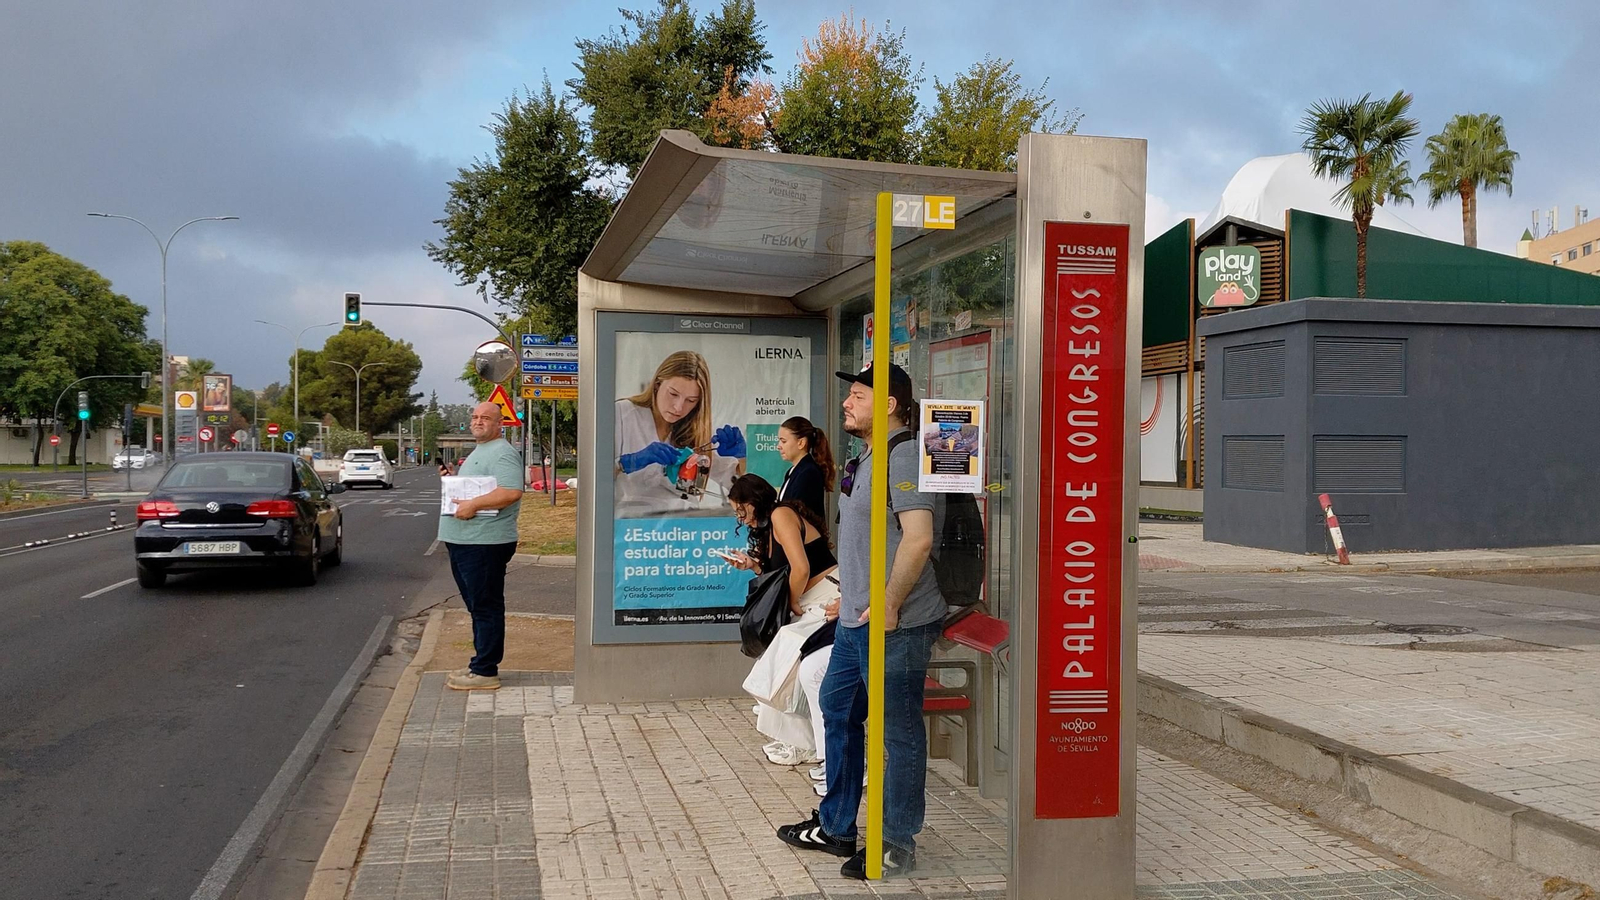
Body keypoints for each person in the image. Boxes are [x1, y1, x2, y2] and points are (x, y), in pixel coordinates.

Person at [777, 363, 942, 881]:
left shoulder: (905, 454)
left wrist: (890, 603)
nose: (846, 403)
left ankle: (897, 840)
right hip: (856, 617)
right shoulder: (864, 457)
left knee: (898, 730)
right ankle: (837, 825)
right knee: (837, 706)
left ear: (888, 403)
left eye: (856, 395)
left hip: (897, 621)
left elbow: (917, 538)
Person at [724, 474, 838, 772]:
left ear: (753, 503)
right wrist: (751, 565)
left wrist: (791, 604)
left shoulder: (781, 515)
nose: (741, 519)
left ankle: (808, 743)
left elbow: (801, 568)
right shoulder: (771, 524)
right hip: (810, 598)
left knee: (786, 661)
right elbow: (781, 571)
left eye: (741, 511)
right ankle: (800, 741)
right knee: (780, 663)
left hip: (825, 595)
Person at [436, 401, 526, 691]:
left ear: (500, 424)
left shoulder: (502, 452)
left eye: (485, 418)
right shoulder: (482, 450)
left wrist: (473, 504)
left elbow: (511, 491)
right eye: (475, 417)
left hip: (484, 543)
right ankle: (480, 664)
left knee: (485, 607)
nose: (478, 421)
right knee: (478, 606)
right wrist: (453, 484)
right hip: (467, 542)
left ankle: (486, 671)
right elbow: (484, 488)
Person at [614, 351, 745, 516]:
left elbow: (737, 483)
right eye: (673, 394)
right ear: (657, 385)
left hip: (682, 530)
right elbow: (594, 479)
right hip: (634, 529)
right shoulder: (622, 413)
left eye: (691, 400)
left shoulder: (698, 432)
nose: (678, 407)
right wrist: (625, 463)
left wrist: (743, 457)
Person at [775, 415, 835, 529]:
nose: (779, 446)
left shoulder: (808, 473)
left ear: (801, 443)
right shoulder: (794, 471)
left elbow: (798, 515)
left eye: (783, 441)